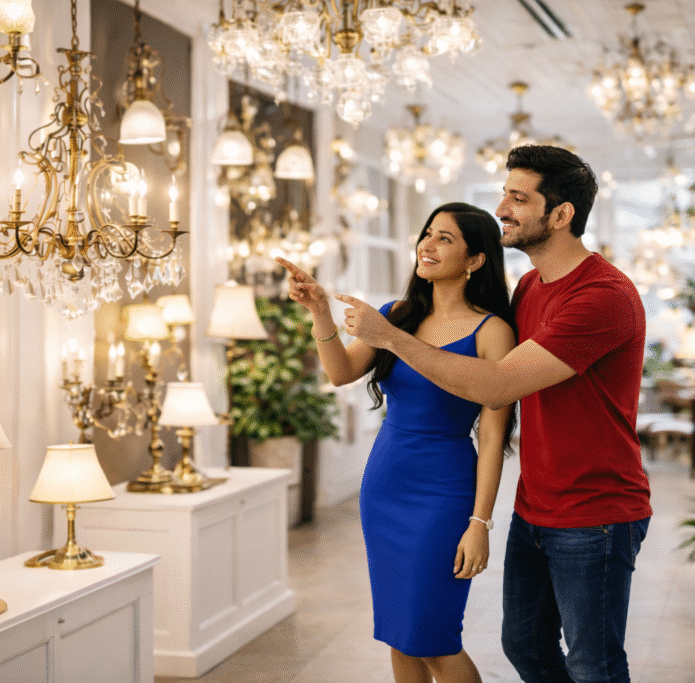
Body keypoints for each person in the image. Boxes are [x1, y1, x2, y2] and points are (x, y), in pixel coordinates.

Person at [335, 146, 651, 683]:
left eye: (518, 198)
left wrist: (391, 337)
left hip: (596, 511)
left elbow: (498, 385)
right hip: (537, 503)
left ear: (561, 215)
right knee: (525, 646)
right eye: (505, 193)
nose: (502, 207)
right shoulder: (529, 286)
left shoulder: (602, 296)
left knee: (593, 664)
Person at [277, 202, 517, 683]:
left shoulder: (493, 332)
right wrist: (320, 312)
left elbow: (493, 439)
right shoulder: (398, 315)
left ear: (475, 260)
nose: (427, 245)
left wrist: (480, 523)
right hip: (385, 485)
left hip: (444, 493)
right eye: (427, 233)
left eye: (445, 238)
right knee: (399, 633)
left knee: (435, 637)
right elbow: (341, 372)